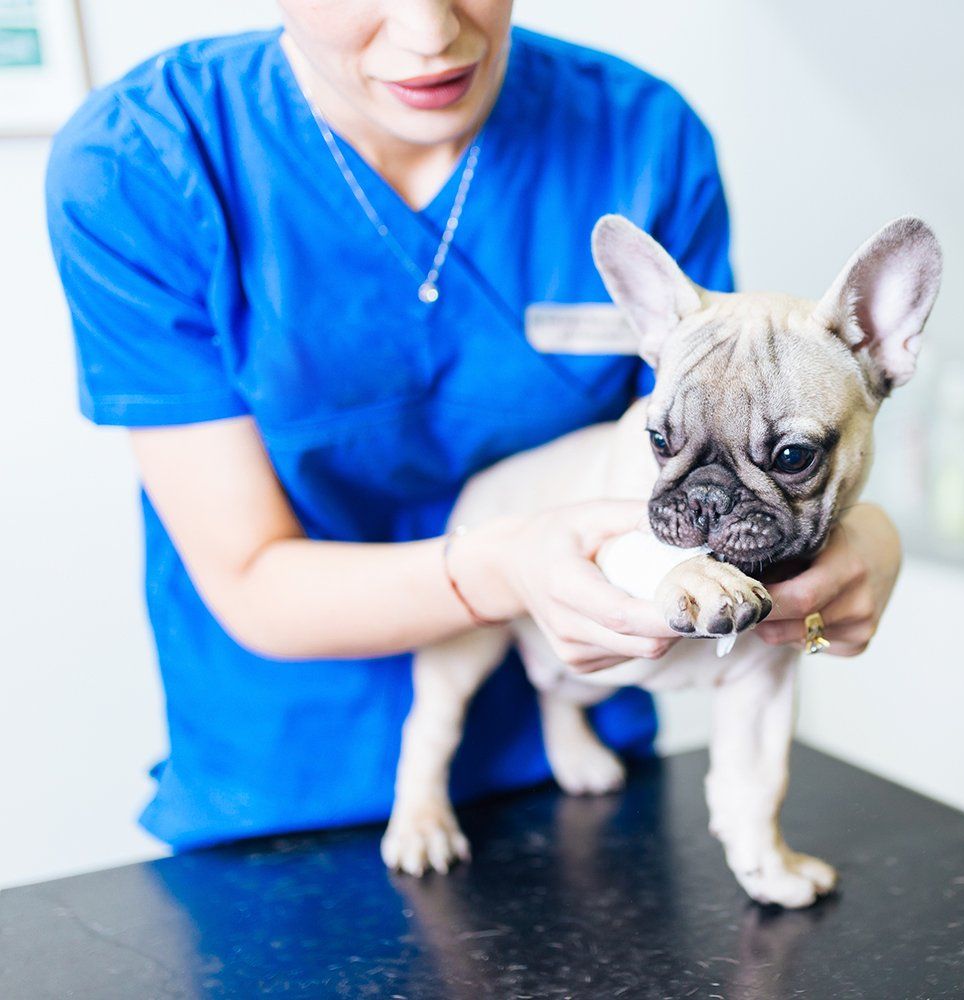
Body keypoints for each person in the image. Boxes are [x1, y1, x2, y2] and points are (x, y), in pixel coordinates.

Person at [45, 0, 903, 853]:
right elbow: (248, 575)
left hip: (592, 754)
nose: (429, 31)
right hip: (284, 778)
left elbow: (736, 420)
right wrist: (504, 566)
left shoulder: (643, 136)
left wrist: (862, 541)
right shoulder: (145, 160)